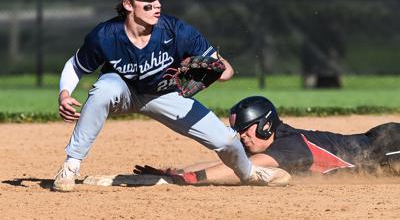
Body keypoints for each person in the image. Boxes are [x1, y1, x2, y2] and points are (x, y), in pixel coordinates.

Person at [53, 0, 288, 192]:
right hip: (123, 92)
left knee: (226, 139)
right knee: (104, 88)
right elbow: (75, 65)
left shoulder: (176, 31)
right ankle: (71, 165)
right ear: (127, 4)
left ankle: (249, 173)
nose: (157, 4)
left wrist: (215, 69)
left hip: (164, 94)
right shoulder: (105, 36)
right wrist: (64, 93)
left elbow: (226, 70)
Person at [134, 96, 400, 185]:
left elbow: (237, 169)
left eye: (247, 129)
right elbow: (233, 162)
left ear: (265, 126)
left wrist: (189, 179)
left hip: (387, 148)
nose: (241, 136)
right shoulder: (276, 145)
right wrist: (178, 172)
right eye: (237, 130)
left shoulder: (288, 146)